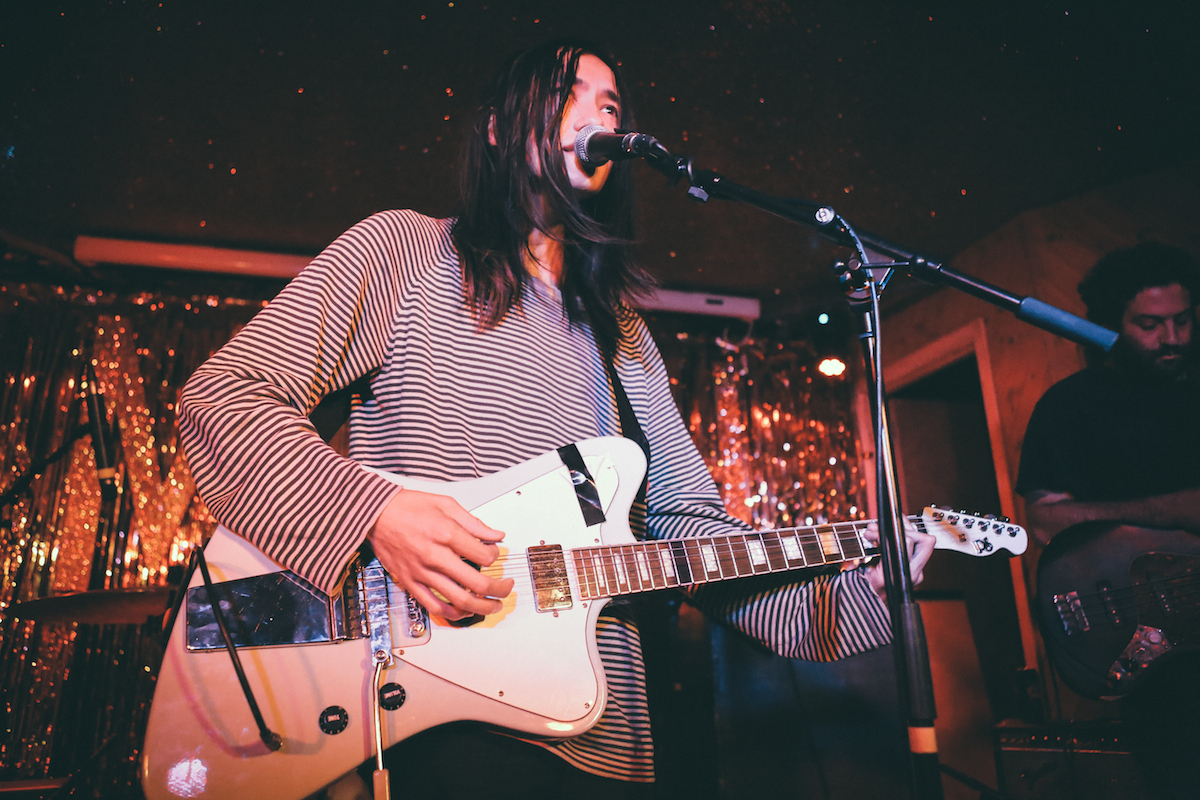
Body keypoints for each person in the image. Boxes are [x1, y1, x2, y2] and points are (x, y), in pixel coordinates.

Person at [178, 38, 934, 799]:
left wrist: (852, 588)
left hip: (606, 738)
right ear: (501, 129)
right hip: (432, 717)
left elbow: (685, 531)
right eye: (572, 91)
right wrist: (375, 512)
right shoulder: (404, 252)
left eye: (611, 104)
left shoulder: (623, 335)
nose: (601, 113)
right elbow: (222, 397)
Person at [1016, 241, 1200, 799]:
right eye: (1149, 324)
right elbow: (1043, 521)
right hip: (1164, 660)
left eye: (1183, 320)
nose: (1173, 338)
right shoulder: (1072, 405)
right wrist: (1169, 511)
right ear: (1110, 325)